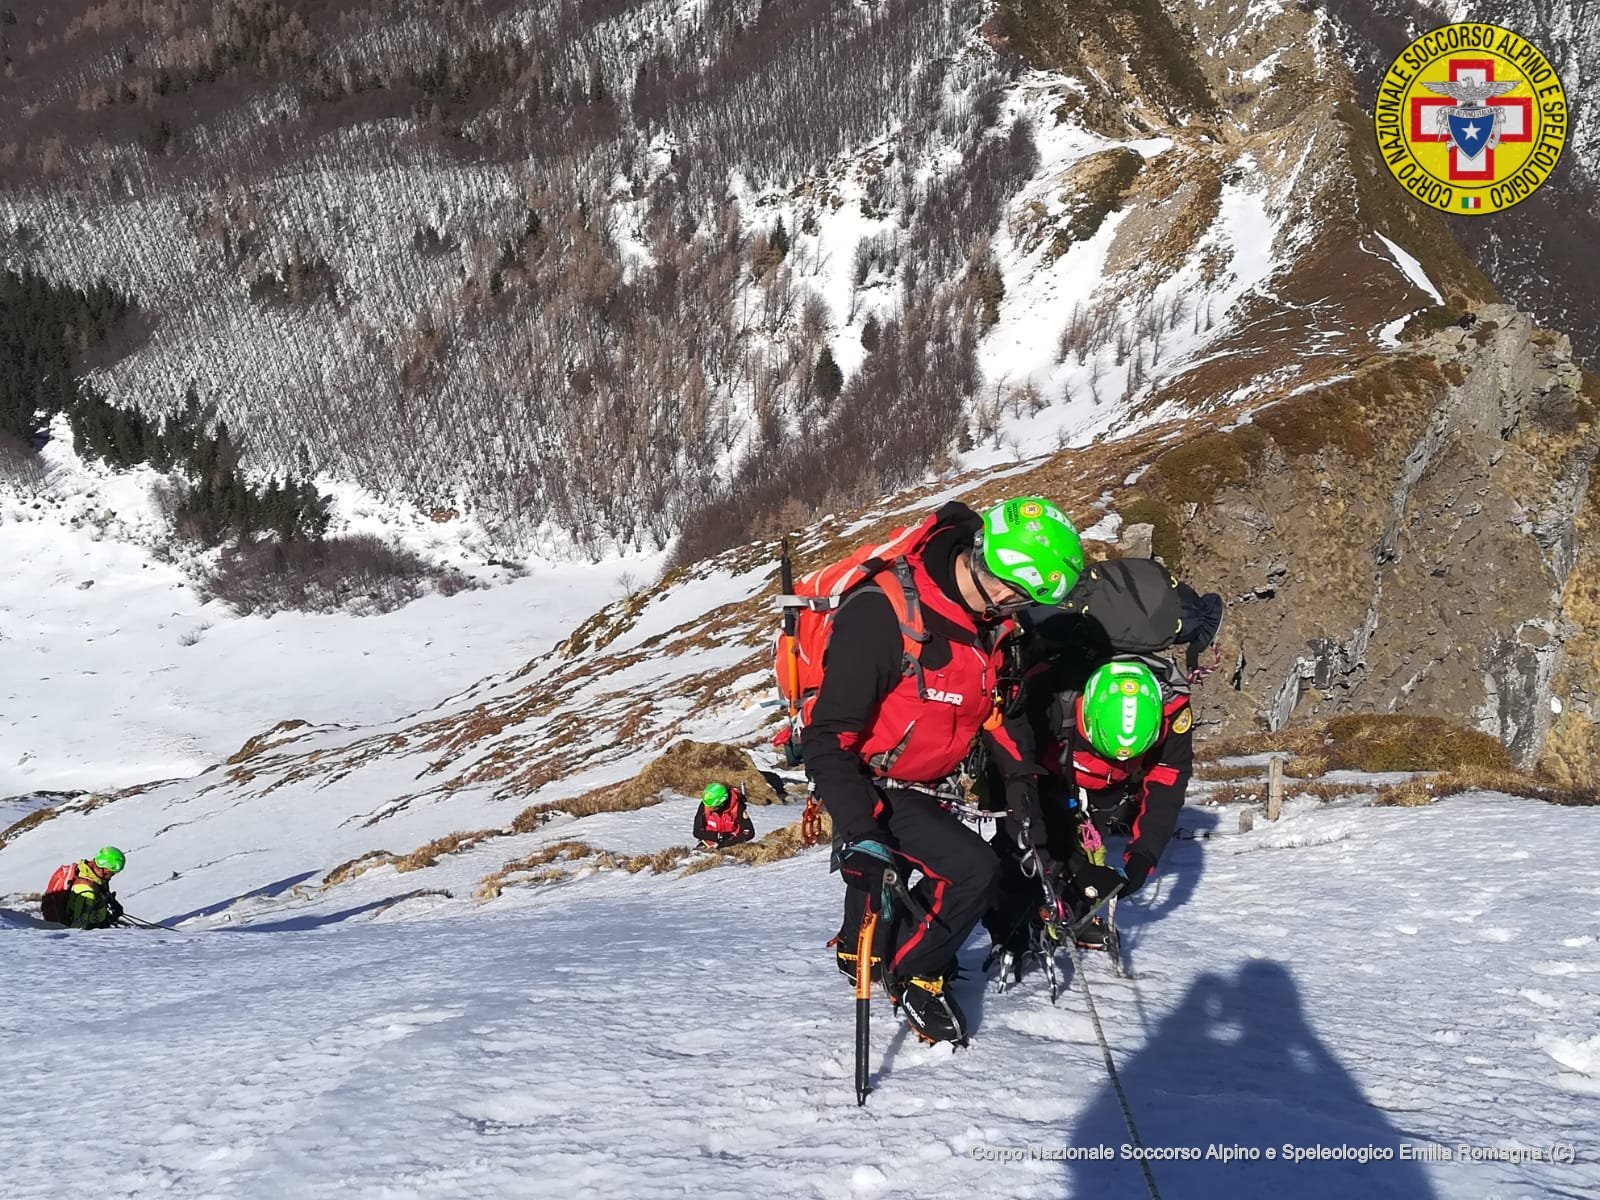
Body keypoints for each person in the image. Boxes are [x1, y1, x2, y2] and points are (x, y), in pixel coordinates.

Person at [807, 496, 1084, 1045]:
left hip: (927, 780)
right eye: (1021, 598)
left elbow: (996, 716)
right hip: (867, 780)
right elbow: (827, 737)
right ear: (1005, 582)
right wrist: (860, 831)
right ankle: (914, 974)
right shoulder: (883, 615)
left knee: (900, 882)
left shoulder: (988, 626)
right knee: (970, 870)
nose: (1017, 610)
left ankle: (859, 946)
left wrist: (1026, 795)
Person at [987, 650, 1194, 956]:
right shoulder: (1045, 692)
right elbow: (1018, 779)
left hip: (1106, 788)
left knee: (1088, 846)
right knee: (1025, 845)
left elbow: (1167, 782)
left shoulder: (1173, 711)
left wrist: (1144, 854)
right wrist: (1056, 861)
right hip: (1036, 771)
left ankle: (1074, 911)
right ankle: (1013, 922)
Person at [40, 846, 126, 930]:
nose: (111, 876)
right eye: (111, 872)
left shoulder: (88, 873)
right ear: (104, 868)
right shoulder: (86, 891)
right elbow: (78, 927)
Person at [694, 782, 755, 848]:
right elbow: (697, 831)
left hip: (732, 844)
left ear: (722, 803)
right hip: (710, 842)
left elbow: (749, 832)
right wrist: (716, 836)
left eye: (714, 807)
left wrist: (723, 844)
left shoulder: (737, 808)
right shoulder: (707, 804)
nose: (710, 808)